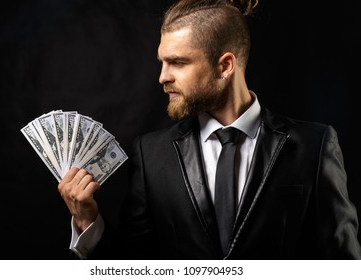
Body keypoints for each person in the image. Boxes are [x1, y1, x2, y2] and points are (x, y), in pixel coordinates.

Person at [57, 0, 361, 259]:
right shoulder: (151, 155)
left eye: (177, 62)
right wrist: (87, 221)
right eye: (162, 62)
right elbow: (136, 265)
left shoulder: (314, 145)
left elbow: (342, 263)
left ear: (225, 66)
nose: (163, 77)